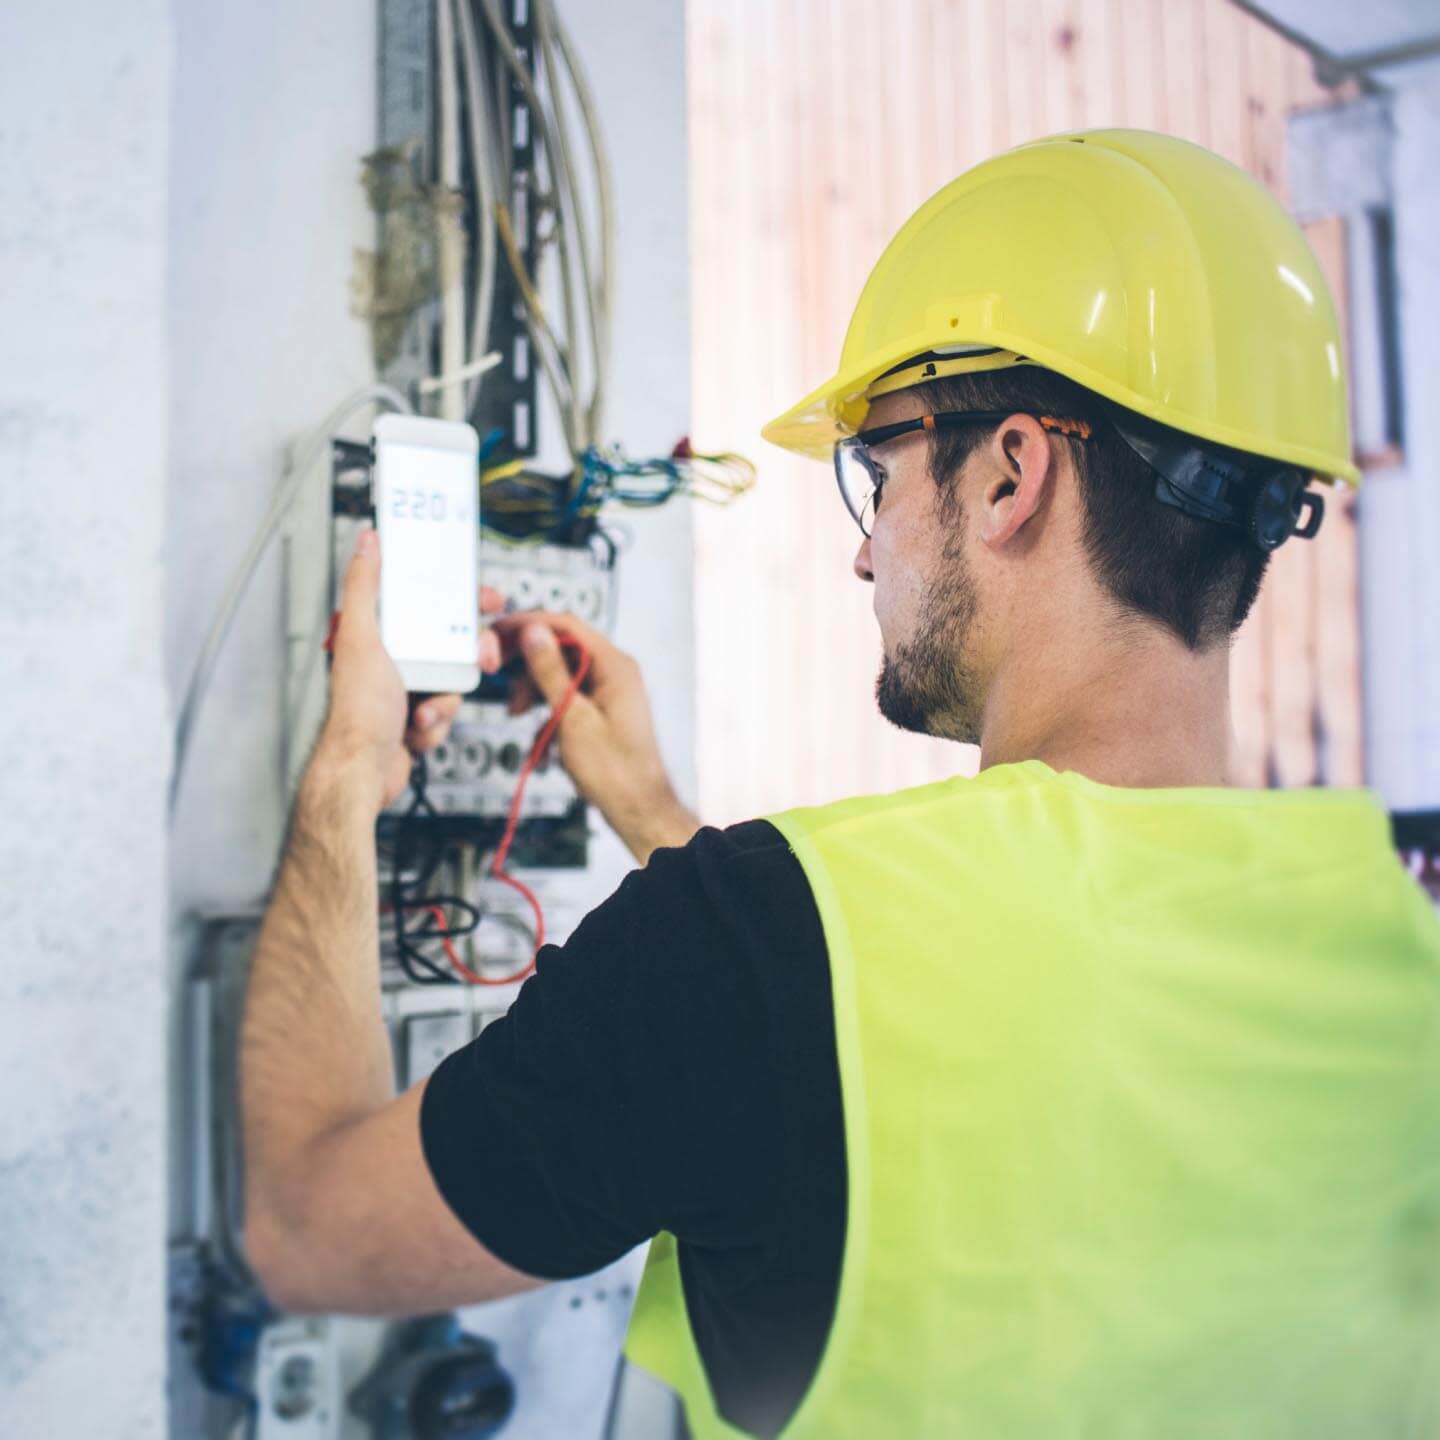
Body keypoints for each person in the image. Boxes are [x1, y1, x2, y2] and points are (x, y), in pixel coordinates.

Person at [240, 129, 1440, 1439]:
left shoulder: (748, 941)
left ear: (1008, 474)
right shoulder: (1399, 952)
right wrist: (653, 814)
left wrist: (348, 770)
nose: (867, 562)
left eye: (877, 471)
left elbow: (308, 1227)